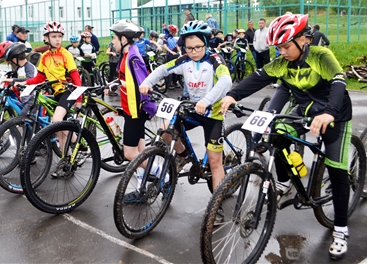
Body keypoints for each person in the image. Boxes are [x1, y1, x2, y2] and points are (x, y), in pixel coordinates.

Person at [220, 13, 353, 260]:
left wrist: (328, 114)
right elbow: (259, 77)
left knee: (336, 170)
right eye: (278, 47)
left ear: (303, 39)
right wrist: (233, 95)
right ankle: (285, 180)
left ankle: (341, 230)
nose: (281, 52)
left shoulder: (320, 56)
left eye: (285, 46)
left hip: (334, 113)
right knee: (277, 134)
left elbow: (338, 82)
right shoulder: (282, 62)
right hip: (304, 110)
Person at [139, 20, 232, 219]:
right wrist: (147, 82)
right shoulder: (184, 60)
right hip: (191, 108)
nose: (193, 52)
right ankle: (182, 156)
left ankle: (217, 207)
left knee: (215, 162)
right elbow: (163, 69)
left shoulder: (215, 59)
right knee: (165, 130)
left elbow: (226, 81)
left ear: (206, 44)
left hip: (212, 113)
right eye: (189, 48)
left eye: (198, 47)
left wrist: (207, 100)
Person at [13, 21, 82, 163]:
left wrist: (79, 99)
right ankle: (66, 160)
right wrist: (23, 82)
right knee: (59, 132)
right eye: (54, 36)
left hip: (68, 91)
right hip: (56, 93)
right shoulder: (44, 57)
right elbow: (39, 78)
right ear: (46, 38)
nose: (58, 39)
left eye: (60, 36)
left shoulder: (65, 54)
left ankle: (77, 139)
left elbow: (76, 78)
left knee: (57, 121)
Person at [107, 20, 156, 169]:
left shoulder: (132, 57)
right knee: (140, 151)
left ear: (123, 39)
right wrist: (115, 82)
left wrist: (119, 84)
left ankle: (159, 173)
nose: (112, 41)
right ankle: (144, 180)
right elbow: (126, 78)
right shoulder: (127, 54)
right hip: (131, 108)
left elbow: (141, 85)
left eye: (114, 38)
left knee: (129, 153)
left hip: (136, 110)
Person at [162, 24, 180, 89]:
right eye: (174, 33)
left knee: (177, 70)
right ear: (171, 32)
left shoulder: (174, 38)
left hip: (175, 55)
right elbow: (165, 46)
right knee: (170, 71)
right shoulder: (166, 37)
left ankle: (175, 82)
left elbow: (177, 46)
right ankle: (169, 84)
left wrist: (179, 51)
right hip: (169, 55)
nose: (175, 34)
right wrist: (171, 51)